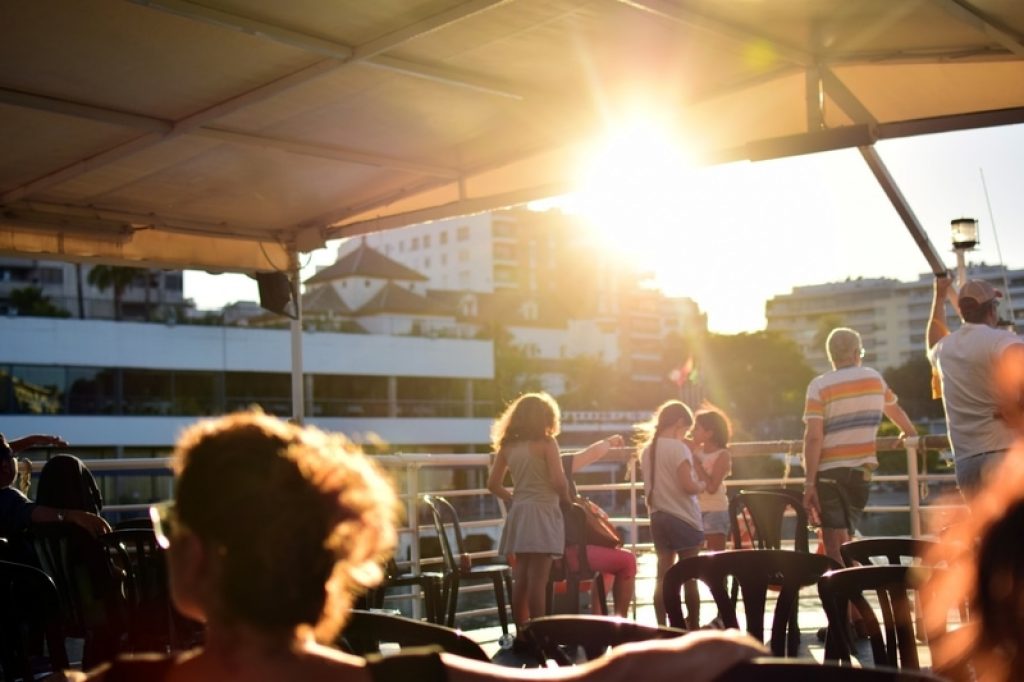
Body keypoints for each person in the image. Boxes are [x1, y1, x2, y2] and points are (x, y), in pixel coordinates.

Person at [65, 411, 766, 682]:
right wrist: (719, 646)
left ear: (195, 560)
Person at [801, 328, 917, 569]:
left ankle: (845, 604)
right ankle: (855, 603)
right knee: (848, 542)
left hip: (829, 474)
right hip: (861, 473)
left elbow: (813, 438)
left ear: (831, 355)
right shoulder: (874, 378)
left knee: (834, 547)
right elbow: (895, 411)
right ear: (856, 353)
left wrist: (809, 483)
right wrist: (910, 432)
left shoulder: (819, 385)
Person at [926, 275, 1024, 500]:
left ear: (962, 312)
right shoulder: (1003, 341)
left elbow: (932, 341)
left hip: (967, 462)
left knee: (990, 535)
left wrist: (939, 297)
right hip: (1006, 456)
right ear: (992, 308)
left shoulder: (944, 349)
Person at [487, 393, 571, 632]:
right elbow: (558, 481)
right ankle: (539, 633)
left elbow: (492, 484)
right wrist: (566, 500)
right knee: (539, 581)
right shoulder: (547, 443)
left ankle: (522, 633)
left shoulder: (508, 446)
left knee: (521, 578)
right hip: (543, 512)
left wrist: (514, 498)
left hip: (520, 513)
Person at [636, 400, 705, 627]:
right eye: (686, 429)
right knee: (690, 577)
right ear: (679, 423)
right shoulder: (678, 448)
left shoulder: (648, 450)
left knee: (663, 576)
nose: (686, 434)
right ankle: (692, 625)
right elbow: (687, 486)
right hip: (683, 517)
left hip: (658, 516)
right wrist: (701, 485)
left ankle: (662, 625)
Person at [0, 433, 110, 563]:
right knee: (65, 466)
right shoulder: (7, 498)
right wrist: (74, 516)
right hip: (40, 576)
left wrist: (33, 440)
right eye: (11, 455)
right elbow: (31, 512)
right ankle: (101, 566)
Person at [565, 434, 637, 618]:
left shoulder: (526, 471)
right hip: (569, 554)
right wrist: (611, 441)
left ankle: (599, 619)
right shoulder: (558, 466)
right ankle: (620, 625)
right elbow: (592, 454)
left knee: (610, 561)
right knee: (627, 560)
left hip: (546, 554)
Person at [691, 405, 733, 553]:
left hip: (715, 509)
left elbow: (712, 487)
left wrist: (697, 464)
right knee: (692, 555)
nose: (692, 431)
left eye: (697, 428)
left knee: (716, 557)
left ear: (709, 433)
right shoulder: (695, 450)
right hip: (694, 509)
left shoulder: (722, 455)